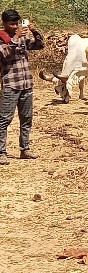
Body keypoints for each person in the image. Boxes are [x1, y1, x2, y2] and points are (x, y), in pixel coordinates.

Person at [0, 9, 44, 165]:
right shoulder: (2, 38)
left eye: (17, 23)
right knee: (4, 120)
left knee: (27, 119)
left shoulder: (24, 38)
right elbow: (4, 54)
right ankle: (1, 152)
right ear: (4, 24)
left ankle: (25, 149)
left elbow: (39, 45)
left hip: (26, 84)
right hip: (11, 85)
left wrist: (34, 30)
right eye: (11, 24)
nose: (15, 26)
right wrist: (16, 37)